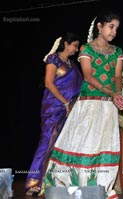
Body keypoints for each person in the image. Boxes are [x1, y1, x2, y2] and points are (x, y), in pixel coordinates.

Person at [42, 11, 123, 199]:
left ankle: (101, 187)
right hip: (89, 104)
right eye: (111, 27)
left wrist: (118, 93)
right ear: (100, 27)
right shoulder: (86, 49)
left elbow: (118, 76)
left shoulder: (118, 51)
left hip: (108, 105)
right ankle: (72, 186)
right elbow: (88, 76)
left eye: (116, 29)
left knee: (104, 144)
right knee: (85, 144)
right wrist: (111, 92)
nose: (113, 32)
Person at [25, 32, 83, 196]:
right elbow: (49, 83)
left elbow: (79, 87)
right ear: (66, 43)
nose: (76, 50)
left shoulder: (72, 65)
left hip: (69, 111)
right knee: (46, 144)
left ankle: (54, 182)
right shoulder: (53, 60)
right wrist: (65, 102)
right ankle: (34, 183)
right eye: (74, 46)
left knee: (63, 147)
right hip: (53, 109)